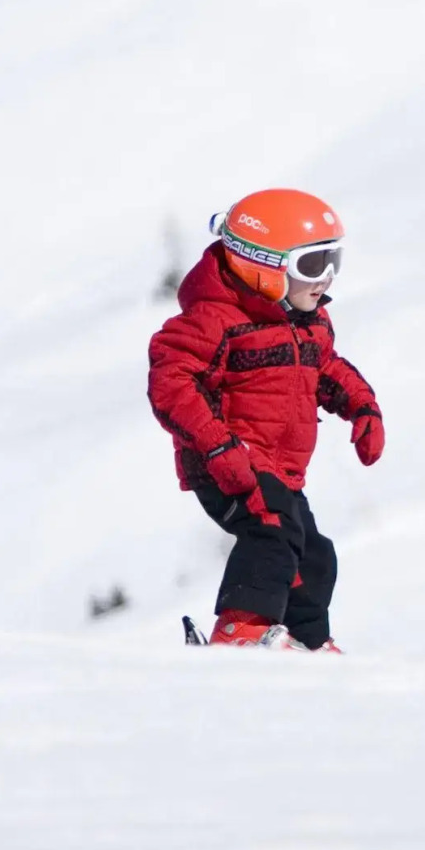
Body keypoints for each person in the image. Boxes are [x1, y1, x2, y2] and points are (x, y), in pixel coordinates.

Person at [147, 189, 384, 651]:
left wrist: (362, 407)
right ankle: (240, 630)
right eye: (312, 265)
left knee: (314, 555)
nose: (326, 278)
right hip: (226, 461)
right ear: (264, 266)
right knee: (272, 531)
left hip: (279, 468)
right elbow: (171, 381)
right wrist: (217, 446)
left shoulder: (308, 320)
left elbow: (326, 368)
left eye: (334, 259)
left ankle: (307, 640)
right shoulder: (213, 319)